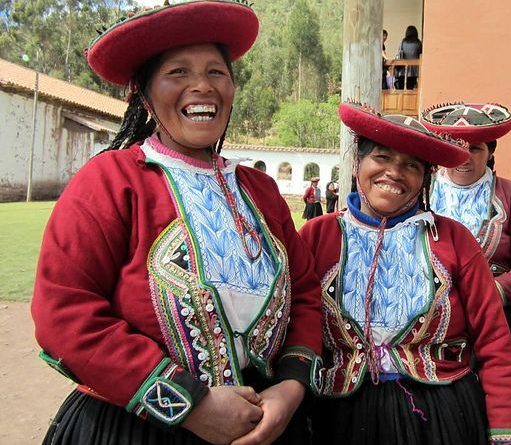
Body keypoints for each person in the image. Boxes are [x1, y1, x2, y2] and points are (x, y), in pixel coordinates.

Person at [31, 2, 323, 445]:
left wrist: (290, 387)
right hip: (137, 427)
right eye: (178, 72)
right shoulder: (111, 180)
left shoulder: (261, 192)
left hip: (265, 425)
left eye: (216, 72)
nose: (201, 86)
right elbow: (65, 313)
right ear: (144, 95)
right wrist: (192, 404)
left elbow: (304, 294)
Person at [299, 101, 511, 445]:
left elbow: (494, 341)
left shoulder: (454, 240)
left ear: (424, 179)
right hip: (338, 417)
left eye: (411, 165)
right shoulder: (317, 236)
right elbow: (294, 325)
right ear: (358, 163)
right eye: (381, 157)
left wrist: (505, 431)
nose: (394, 172)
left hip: (440, 417)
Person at [423, 102, 511, 445]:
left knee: (500, 402)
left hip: (494, 323)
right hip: (433, 323)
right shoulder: (423, 190)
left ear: (490, 152)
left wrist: (487, 292)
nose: (465, 155)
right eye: (456, 145)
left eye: (475, 148)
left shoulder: (510, 196)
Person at [396, 25, 422, 90]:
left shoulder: (403, 42)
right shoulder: (418, 43)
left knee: (402, 90)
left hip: (403, 70)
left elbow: (399, 53)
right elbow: (421, 54)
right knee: (411, 89)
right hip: (414, 71)